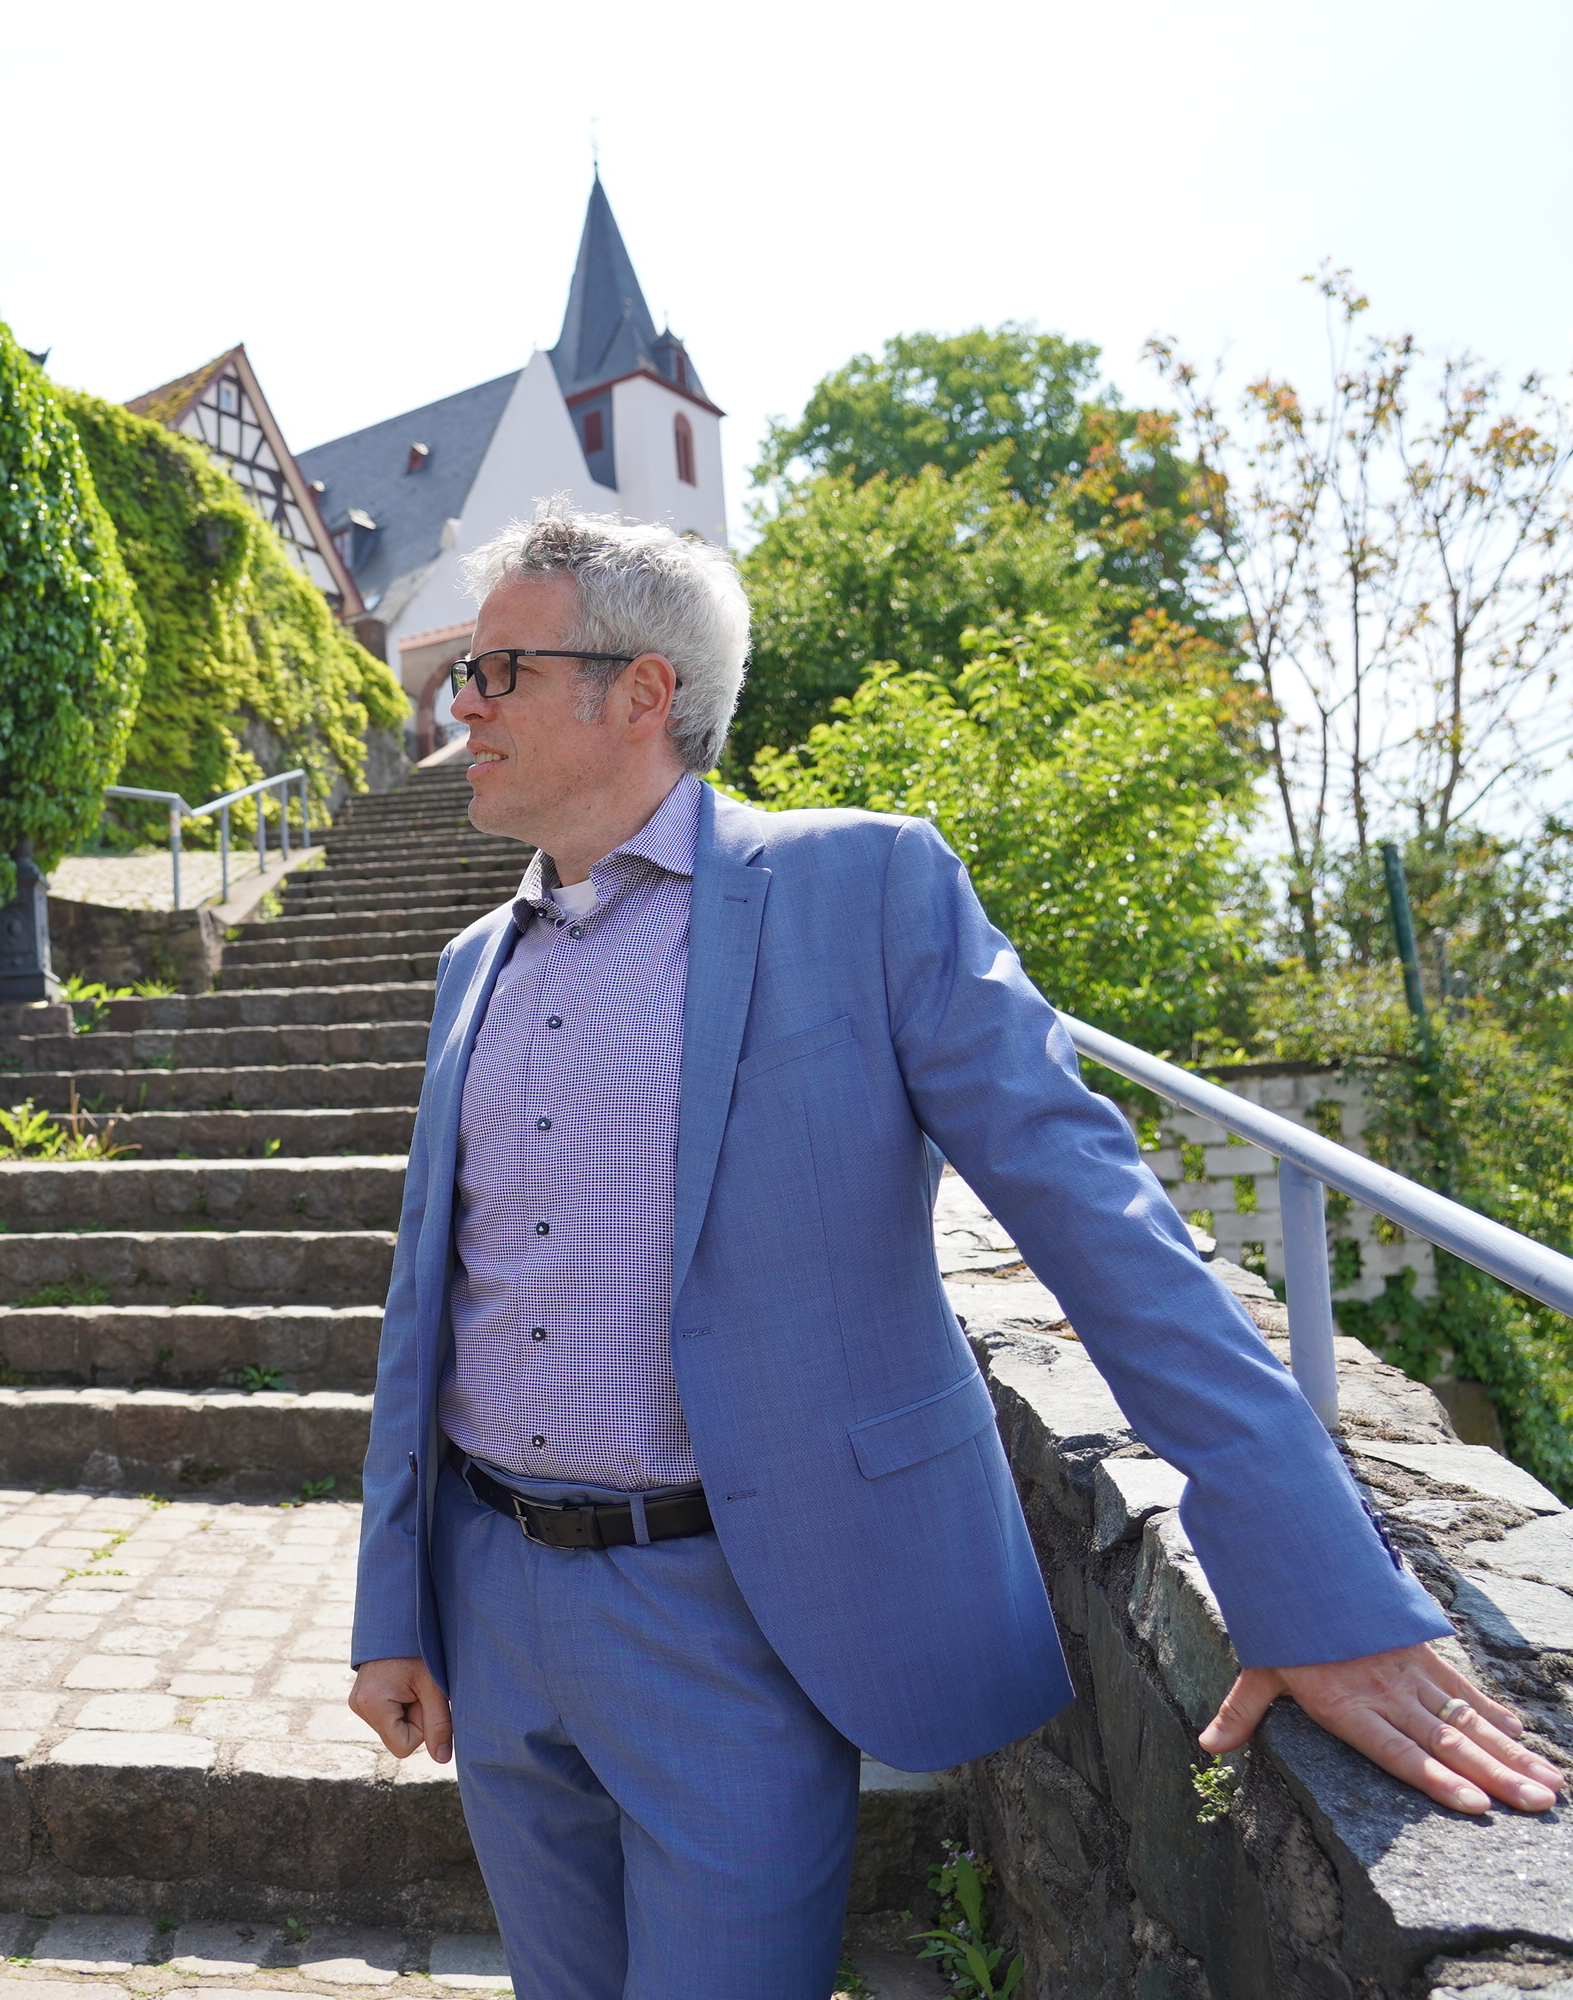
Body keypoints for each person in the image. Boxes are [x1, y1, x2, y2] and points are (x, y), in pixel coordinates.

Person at [344, 505, 1560, 2000]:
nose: (455, 706)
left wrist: (1314, 1580)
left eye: (497, 670)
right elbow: (429, 1306)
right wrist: (395, 1606)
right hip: (491, 1599)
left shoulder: (862, 888)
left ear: (644, 692)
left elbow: (1099, 1217)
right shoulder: (480, 960)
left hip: (730, 1610)